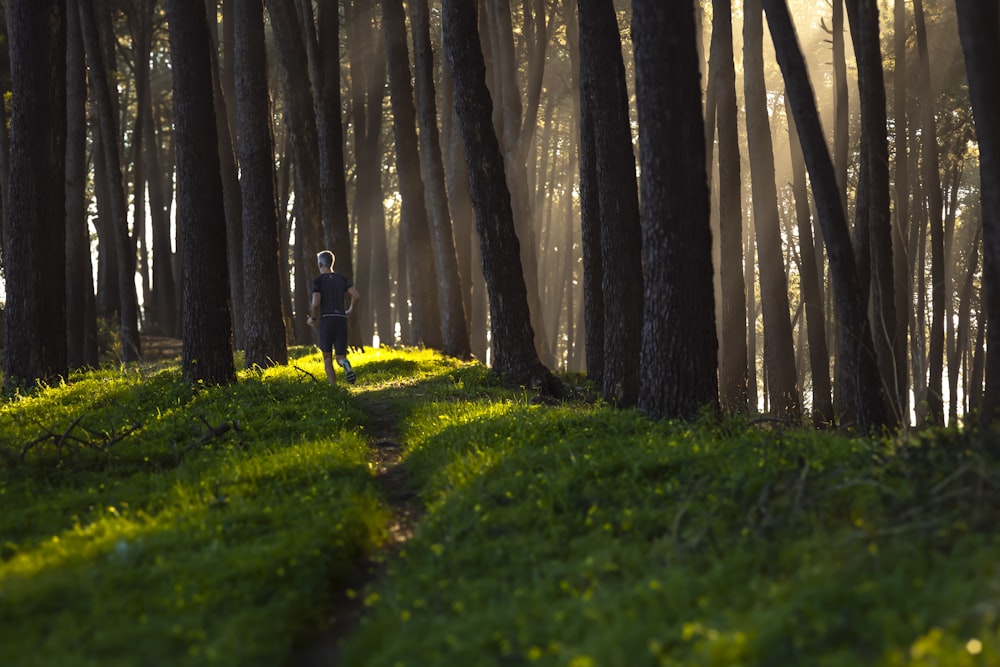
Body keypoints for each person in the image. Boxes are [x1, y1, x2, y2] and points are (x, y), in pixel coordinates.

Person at [307, 250, 361, 384]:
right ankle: (346, 364)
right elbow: (356, 295)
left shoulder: (318, 281)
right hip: (341, 320)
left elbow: (315, 304)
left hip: (327, 321)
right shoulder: (341, 279)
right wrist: (349, 310)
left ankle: (334, 388)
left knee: (327, 357)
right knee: (340, 357)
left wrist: (313, 318)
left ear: (320, 264)